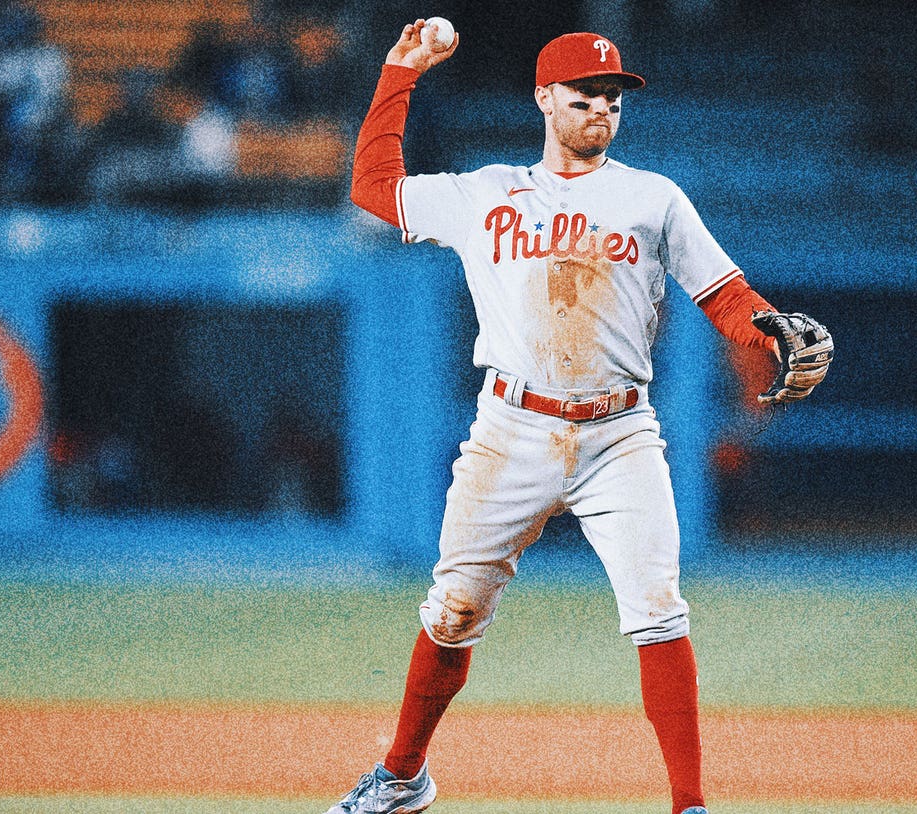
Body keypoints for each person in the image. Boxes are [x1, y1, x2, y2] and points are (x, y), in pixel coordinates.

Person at [326, 20, 832, 814]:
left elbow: (725, 294)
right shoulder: (483, 193)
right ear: (544, 99)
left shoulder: (652, 197)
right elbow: (372, 186)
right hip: (510, 430)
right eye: (584, 94)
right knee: (453, 610)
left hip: (619, 434)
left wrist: (766, 325)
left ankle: (689, 803)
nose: (601, 107)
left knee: (659, 609)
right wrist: (399, 71)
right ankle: (401, 775)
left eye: (612, 96)